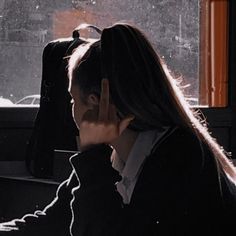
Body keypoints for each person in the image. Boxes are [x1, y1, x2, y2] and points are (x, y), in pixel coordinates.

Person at [1, 22, 236, 235]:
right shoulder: (110, 152)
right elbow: (54, 221)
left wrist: (91, 156)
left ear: (94, 103)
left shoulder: (179, 156)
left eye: (74, 100)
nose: (72, 110)